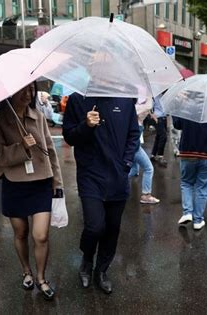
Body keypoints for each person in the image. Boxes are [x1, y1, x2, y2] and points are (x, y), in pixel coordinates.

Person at [0, 83, 63, 300]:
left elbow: (50, 151)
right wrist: (22, 147)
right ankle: (26, 271)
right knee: (20, 233)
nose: (28, 94)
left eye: (31, 89)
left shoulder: (38, 117)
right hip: (14, 184)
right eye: (23, 89)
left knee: (41, 235)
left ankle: (41, 278)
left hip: (41, 182)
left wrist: (57, 183)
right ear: (10, 92)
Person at [63, 93, 140, 294]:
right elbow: (69, 136)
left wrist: (127, 164)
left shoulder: (125, 100)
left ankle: (102, 270)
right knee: (95, 226)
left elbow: (134, 134)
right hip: (90, 176)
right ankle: (87, 259)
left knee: (112, 229)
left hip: (118, 177)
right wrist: (86, 125)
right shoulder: (77, 99)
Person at [173, 117, 207, 230]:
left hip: (188, 152)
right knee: (203, 187)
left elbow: (177, 124)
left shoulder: (187, 108)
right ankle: (198, 220)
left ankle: (187, 212)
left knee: (186, 183)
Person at [130, 99, 160, 204]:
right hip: (134, 148)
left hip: (132, 147)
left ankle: (112, 185)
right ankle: (146, 195)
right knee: (149, 168)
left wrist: (151, 114)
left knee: (133, 170)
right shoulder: (136, 120)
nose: (146, 113)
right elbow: (133, 140)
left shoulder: (133, 116)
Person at [150, 92, 168, 167]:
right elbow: (150, 109)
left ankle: (153, 155)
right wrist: (154, 117)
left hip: (164, 118)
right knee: (163, 136)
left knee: (158, 136)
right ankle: (160, 156)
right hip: (158, 118)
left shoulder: (166, 96)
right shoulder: (155, 96)